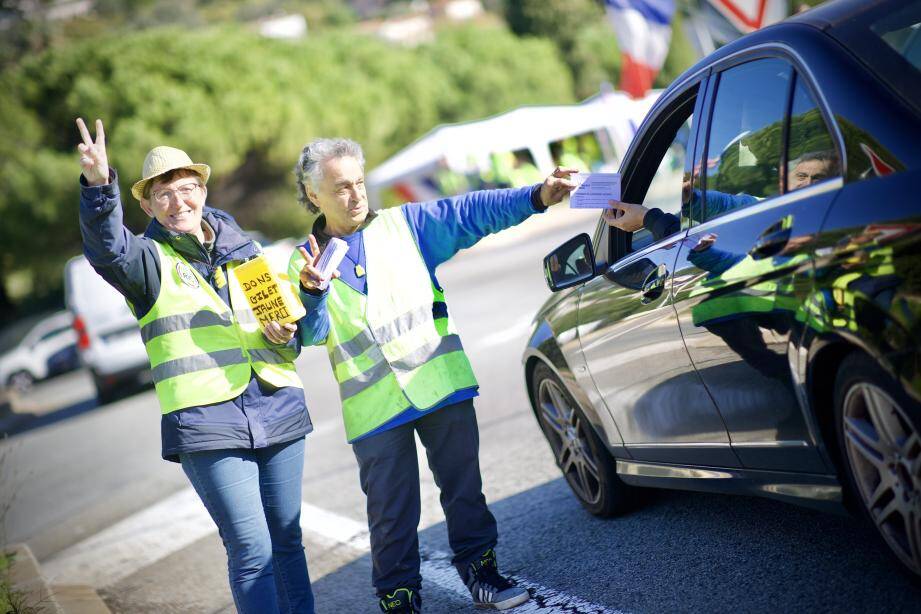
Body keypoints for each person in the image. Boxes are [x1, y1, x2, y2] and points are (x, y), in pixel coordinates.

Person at [288, 137, 576, 613]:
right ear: (312, 193)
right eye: (341, 187)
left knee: (464, 490)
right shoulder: (301, 261)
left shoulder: (406, 226)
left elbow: (472, 212)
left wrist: (536, 196)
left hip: (440, 383)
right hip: (374, 408)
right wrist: (313, 293)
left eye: (359, 182)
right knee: (391, 513)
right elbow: (311, 334)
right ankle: (399, 598)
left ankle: (483, 574)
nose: (356, 195)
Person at [75, 118, 315, 614]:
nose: (179, 201)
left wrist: (284, 332)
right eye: (163, 194)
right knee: (253, 551)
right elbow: (107, 249)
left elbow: (288, 338)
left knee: (289, 544)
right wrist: (100, 187)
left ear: (203, 190)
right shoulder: (145, 261)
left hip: (277, 407)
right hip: (208, 424)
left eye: (187, 188)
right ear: (146, 205)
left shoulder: (246, 251)